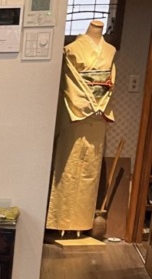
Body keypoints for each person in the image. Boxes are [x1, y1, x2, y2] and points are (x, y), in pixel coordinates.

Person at [46, 19, 116, 232]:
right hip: (75, 111)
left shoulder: (110, 51)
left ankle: (82, 223)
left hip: (98, 115)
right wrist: (91, 103)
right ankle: (59, 222)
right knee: (68, 165)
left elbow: (109, 82)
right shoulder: (72, 49)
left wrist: (100, 104)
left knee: (90, 170)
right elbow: (71, 82)